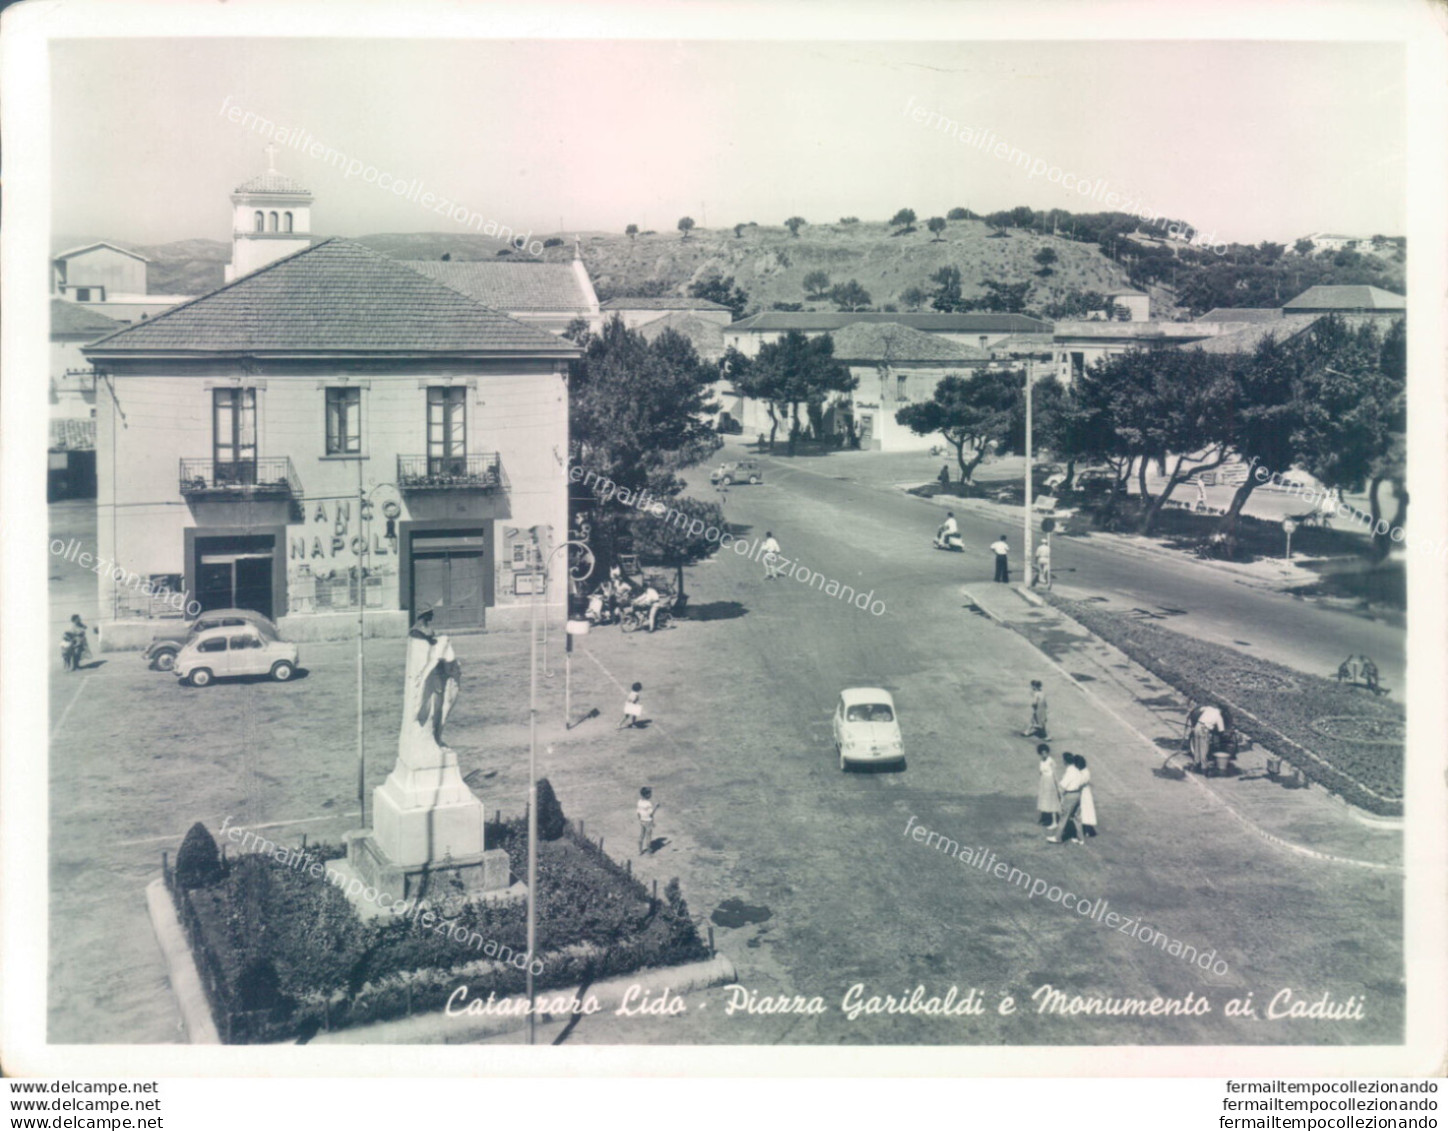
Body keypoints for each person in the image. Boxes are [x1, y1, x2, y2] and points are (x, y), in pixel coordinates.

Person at [1048, 752, 1085, 844]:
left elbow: (1062, 787)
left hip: (1070, 796)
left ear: (1065, 761)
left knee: (1064, 817)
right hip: (1078, 795)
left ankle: (1057, 838)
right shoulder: (1077, 771)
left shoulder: (1069, 772)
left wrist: (1057, 788)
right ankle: (1081, 839)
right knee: (1077, 817)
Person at [1036, 744, 1061, 831]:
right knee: (1043, 799)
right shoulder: (1041, 761)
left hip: (1050, 783)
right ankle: (1044, 819)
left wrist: (1057, 786)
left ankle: (1054, 822)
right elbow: (1041, 773)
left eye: (1045, 753)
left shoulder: (1051, 761)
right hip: (1044, 782)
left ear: (1047, 752)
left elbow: (1055, 774)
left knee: (1052, 801)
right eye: (1042, 753)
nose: (1044, 755)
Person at [1077, 754, 1097, 839]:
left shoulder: (1085, 772)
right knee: (1083, 811)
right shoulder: (1083, 771)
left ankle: (1087, 829)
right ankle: (1084, 828)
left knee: (1086, 810)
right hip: (1083, 792)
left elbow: (1080, 784)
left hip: (1085, 793)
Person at [637, 787, 658, 856]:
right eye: (650, 794)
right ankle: (649, 853)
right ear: (646, 795)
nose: (651, 795)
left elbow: (638, 813)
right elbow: (651, 814)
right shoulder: (648, 804)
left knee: (641, 835)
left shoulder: (639, 802)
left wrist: (640, 820)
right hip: (648, 821)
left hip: (642, 820)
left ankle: (640, 851)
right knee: (648, 837)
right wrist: (656, 807)